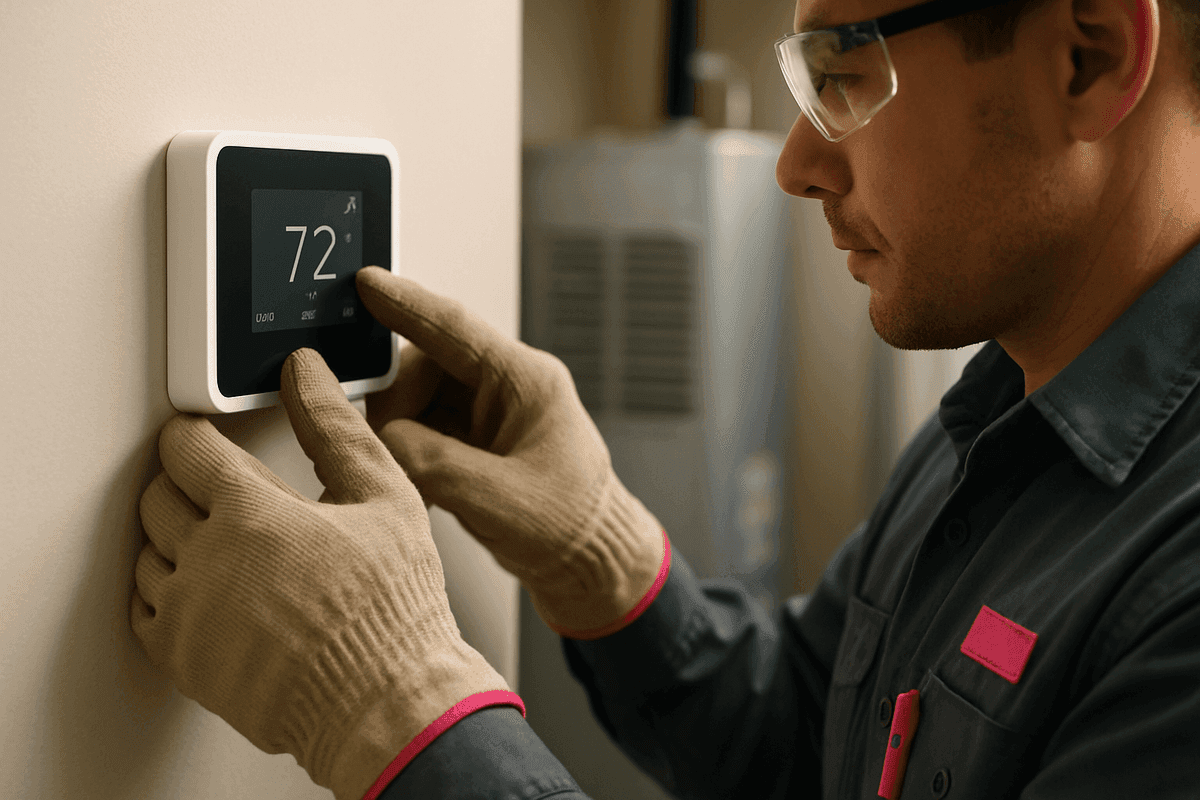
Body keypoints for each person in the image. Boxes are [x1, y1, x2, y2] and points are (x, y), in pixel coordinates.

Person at [131, 0, 1200, 797]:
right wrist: (604, 557)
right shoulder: (999, 412)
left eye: (844, 71)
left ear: (1091, 56)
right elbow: (805, 744)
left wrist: (393, 708)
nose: (796, 163)